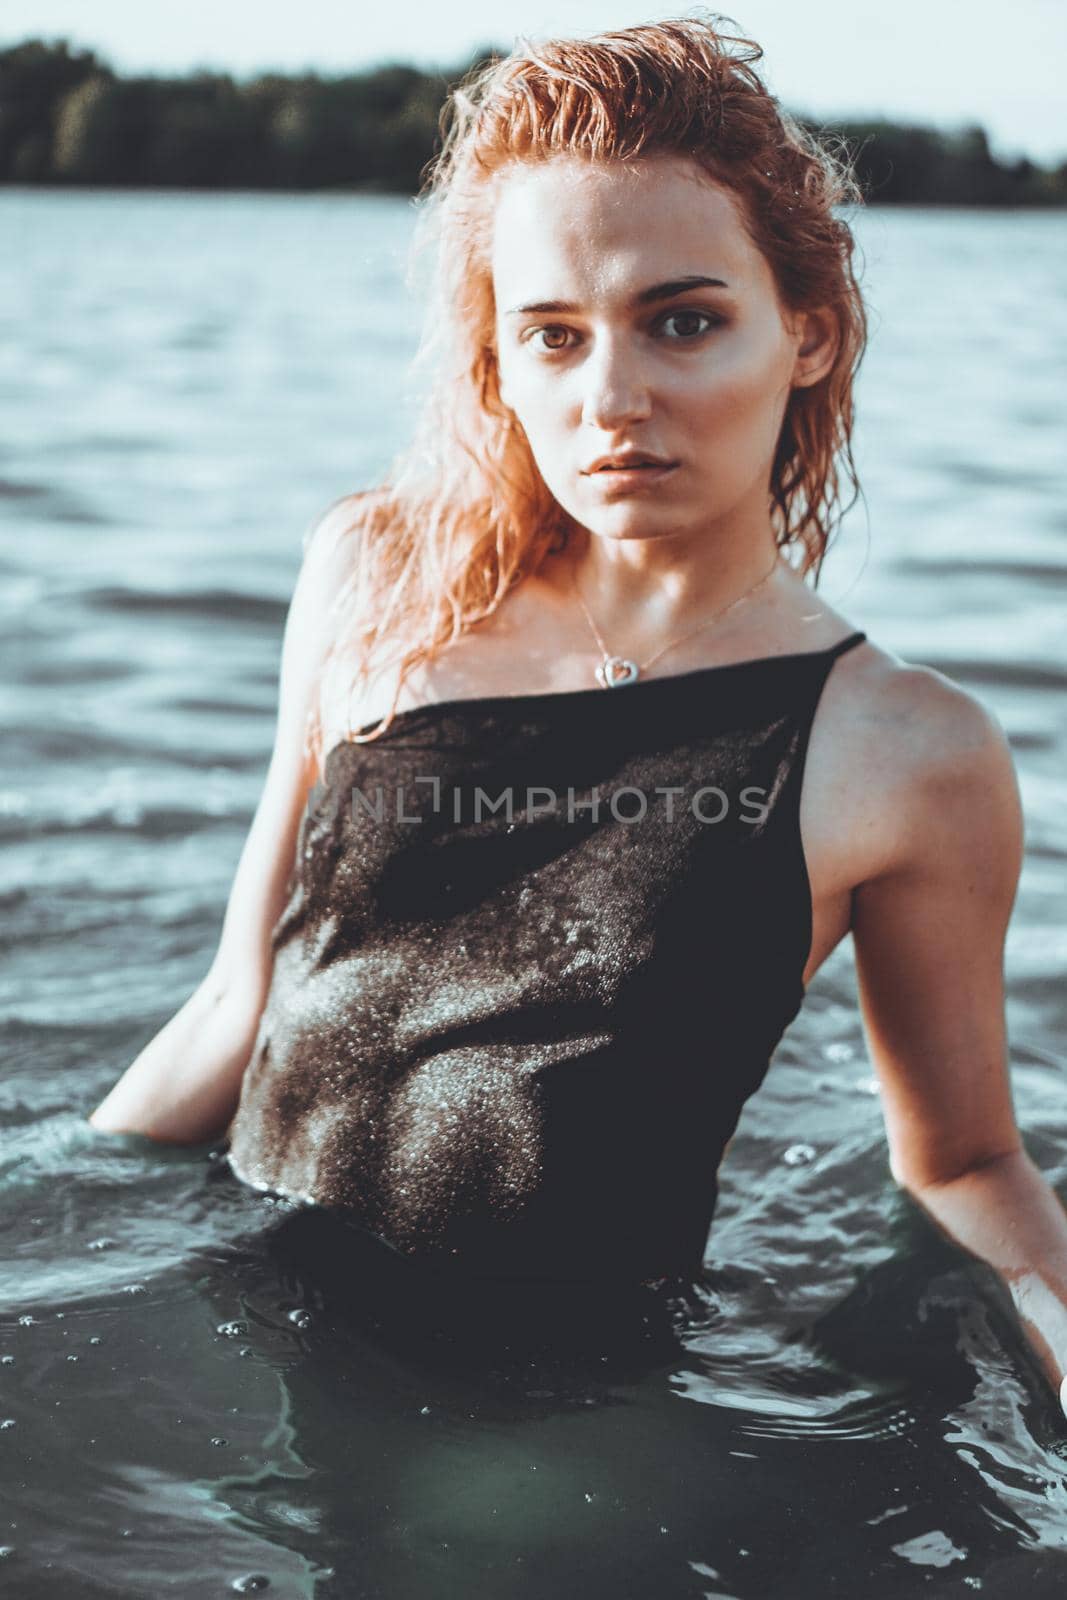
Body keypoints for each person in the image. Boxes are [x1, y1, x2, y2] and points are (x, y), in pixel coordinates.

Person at [87, 15, 1067, 1415]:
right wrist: (54, 1230)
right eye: (554, 335)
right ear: (502, 364)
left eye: (683, 320)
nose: (612, 399)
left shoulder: (909, 751)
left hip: (565, 1406)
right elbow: (242, 1000)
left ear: (807, 331)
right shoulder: (377, 577)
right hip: (239, 1304)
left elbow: (967, 1162)